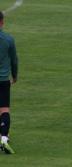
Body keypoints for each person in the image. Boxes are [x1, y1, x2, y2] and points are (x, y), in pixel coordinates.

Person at [0, 11, 18, 154]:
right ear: (2, 22)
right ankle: (4, 138)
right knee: (4, 109)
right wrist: (15, 76)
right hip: (3, 80)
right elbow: (14, 60)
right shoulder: (8, 39)